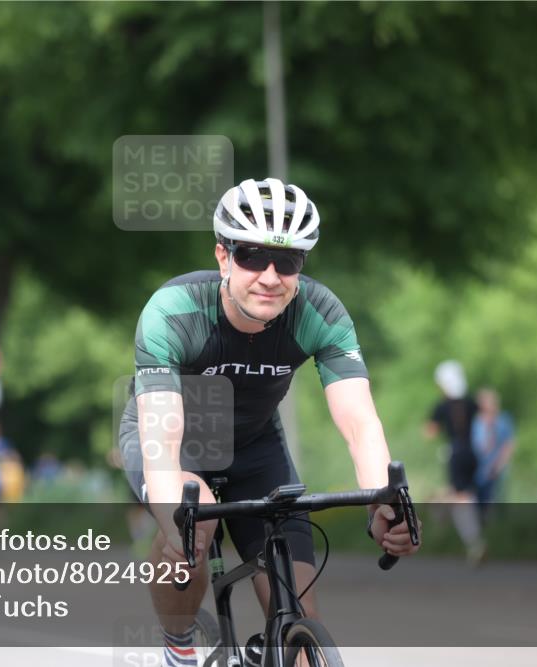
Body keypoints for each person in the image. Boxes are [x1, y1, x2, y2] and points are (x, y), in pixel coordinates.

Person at [117, 178, 420, 667]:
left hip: (257, 448)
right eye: (252, 256)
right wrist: (178, 516)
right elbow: (162, 431)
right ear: (223, 257)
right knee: (190, 532)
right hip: (174, 446)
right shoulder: (173, 311)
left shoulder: (319, 313)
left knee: (299, 610)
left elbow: (361, 423)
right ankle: (178, 645)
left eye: (289, 261)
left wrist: (383, 501)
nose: (270, 276)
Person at [425, 360, 485, 563]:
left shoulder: (441, 405)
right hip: (472, 453)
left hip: (456, 454)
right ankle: (445, 522)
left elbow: (430, 432)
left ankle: (474, 543)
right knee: (463, 494)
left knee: (461, 499)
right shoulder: (470, 401)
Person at [470, 388, 516, 510]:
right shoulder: (475, 423)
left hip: (497, 469)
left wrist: (499, 465)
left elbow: (509, 445)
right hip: (477, 470)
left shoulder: (503, 421)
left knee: (494, 503)